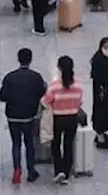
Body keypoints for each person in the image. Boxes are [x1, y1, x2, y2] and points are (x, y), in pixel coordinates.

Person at [0, 47, 48, 185]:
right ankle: (31, 171)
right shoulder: (36, 77)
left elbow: (2, 96)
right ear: (30, 59)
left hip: (12, 116)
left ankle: (17, 170)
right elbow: (42, 93)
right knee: (29, 143)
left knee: (16, 143)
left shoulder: (9, 77)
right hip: (29, 116)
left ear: (18, 59)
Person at [41, 55, 85, 185]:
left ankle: (58, 170)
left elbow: (45, 102)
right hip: (72, 118)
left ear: (59, 68)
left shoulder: (54, 85)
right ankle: (66, 173)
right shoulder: (78, 85)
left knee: (55, 144)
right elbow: (79, 102)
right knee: (68, 145)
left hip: (57, 119)